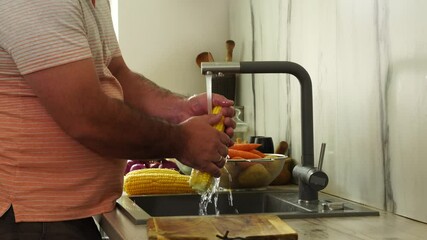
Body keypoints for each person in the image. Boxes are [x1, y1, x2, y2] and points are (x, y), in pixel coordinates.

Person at [0, 0, 235, 239]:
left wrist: (180, 108)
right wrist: (182, 141)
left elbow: (116, 72)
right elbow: (88, 117)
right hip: (31, 218)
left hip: (67, 214)